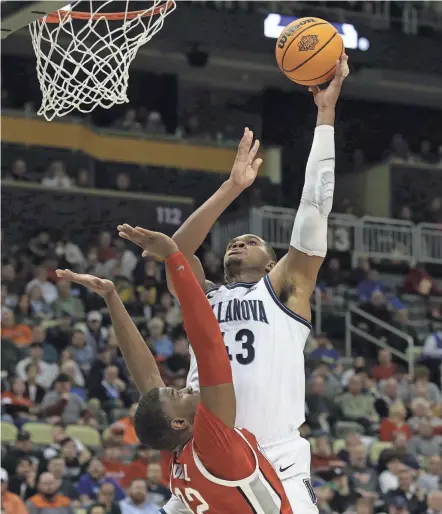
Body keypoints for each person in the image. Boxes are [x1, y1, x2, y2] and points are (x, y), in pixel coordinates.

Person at [118, 54, 350, 514]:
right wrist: (231, 188)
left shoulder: (284, 292)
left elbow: (313, 210)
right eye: (235, 241)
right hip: (207, 453)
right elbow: (176, 257)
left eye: (253, 240)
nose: (241, 240)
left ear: (272, 265)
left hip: (274, 455)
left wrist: (326, 115)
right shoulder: (208, 295)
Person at [56, 229, 294, 513]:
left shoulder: (175, 448)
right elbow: (209, 348)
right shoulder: (213, 444)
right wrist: (175, 260)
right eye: (179, 393)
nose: (187, 387)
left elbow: (144, 374)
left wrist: (111, 298)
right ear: (180, 422)